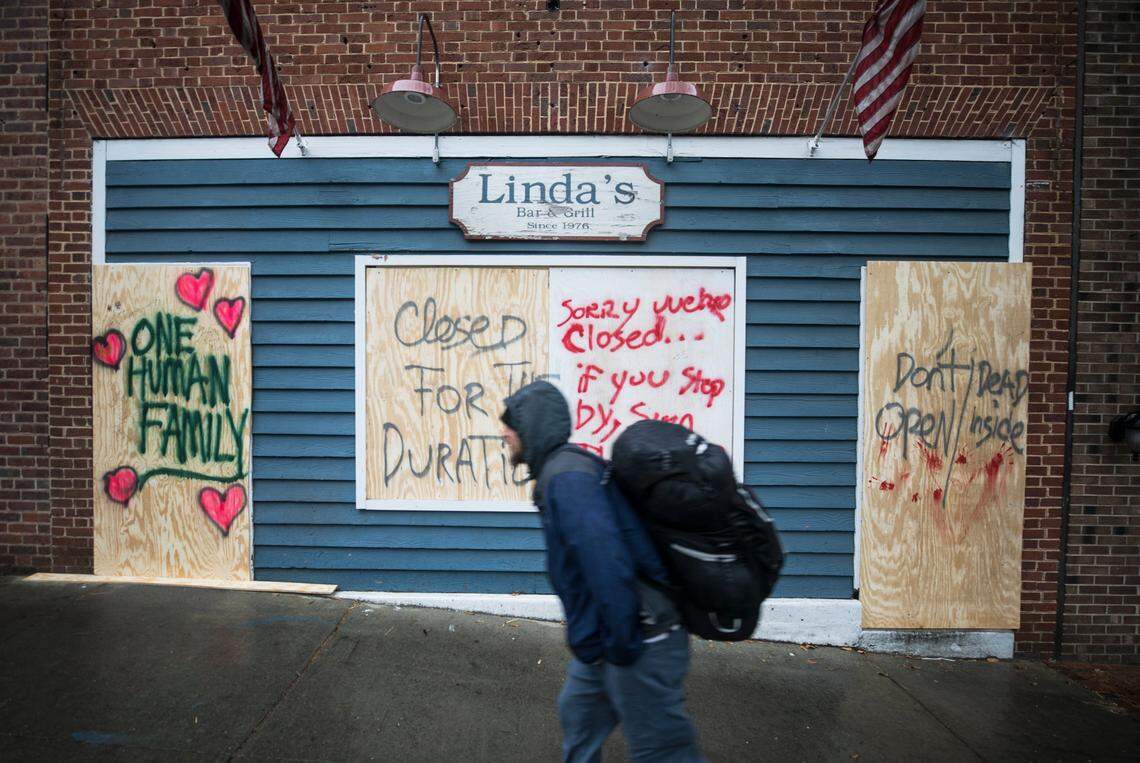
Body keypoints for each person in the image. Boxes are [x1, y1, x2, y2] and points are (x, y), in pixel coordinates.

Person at [500, 380, 704, 763]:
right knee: (578, 714)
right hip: (605, 639)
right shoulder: (561, 471)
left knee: (661, 751)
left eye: (510, 424)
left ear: (533, 427)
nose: (504, 432)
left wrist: (622, 646)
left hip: (640, 636)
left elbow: (607, 563)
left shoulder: (568, 480)